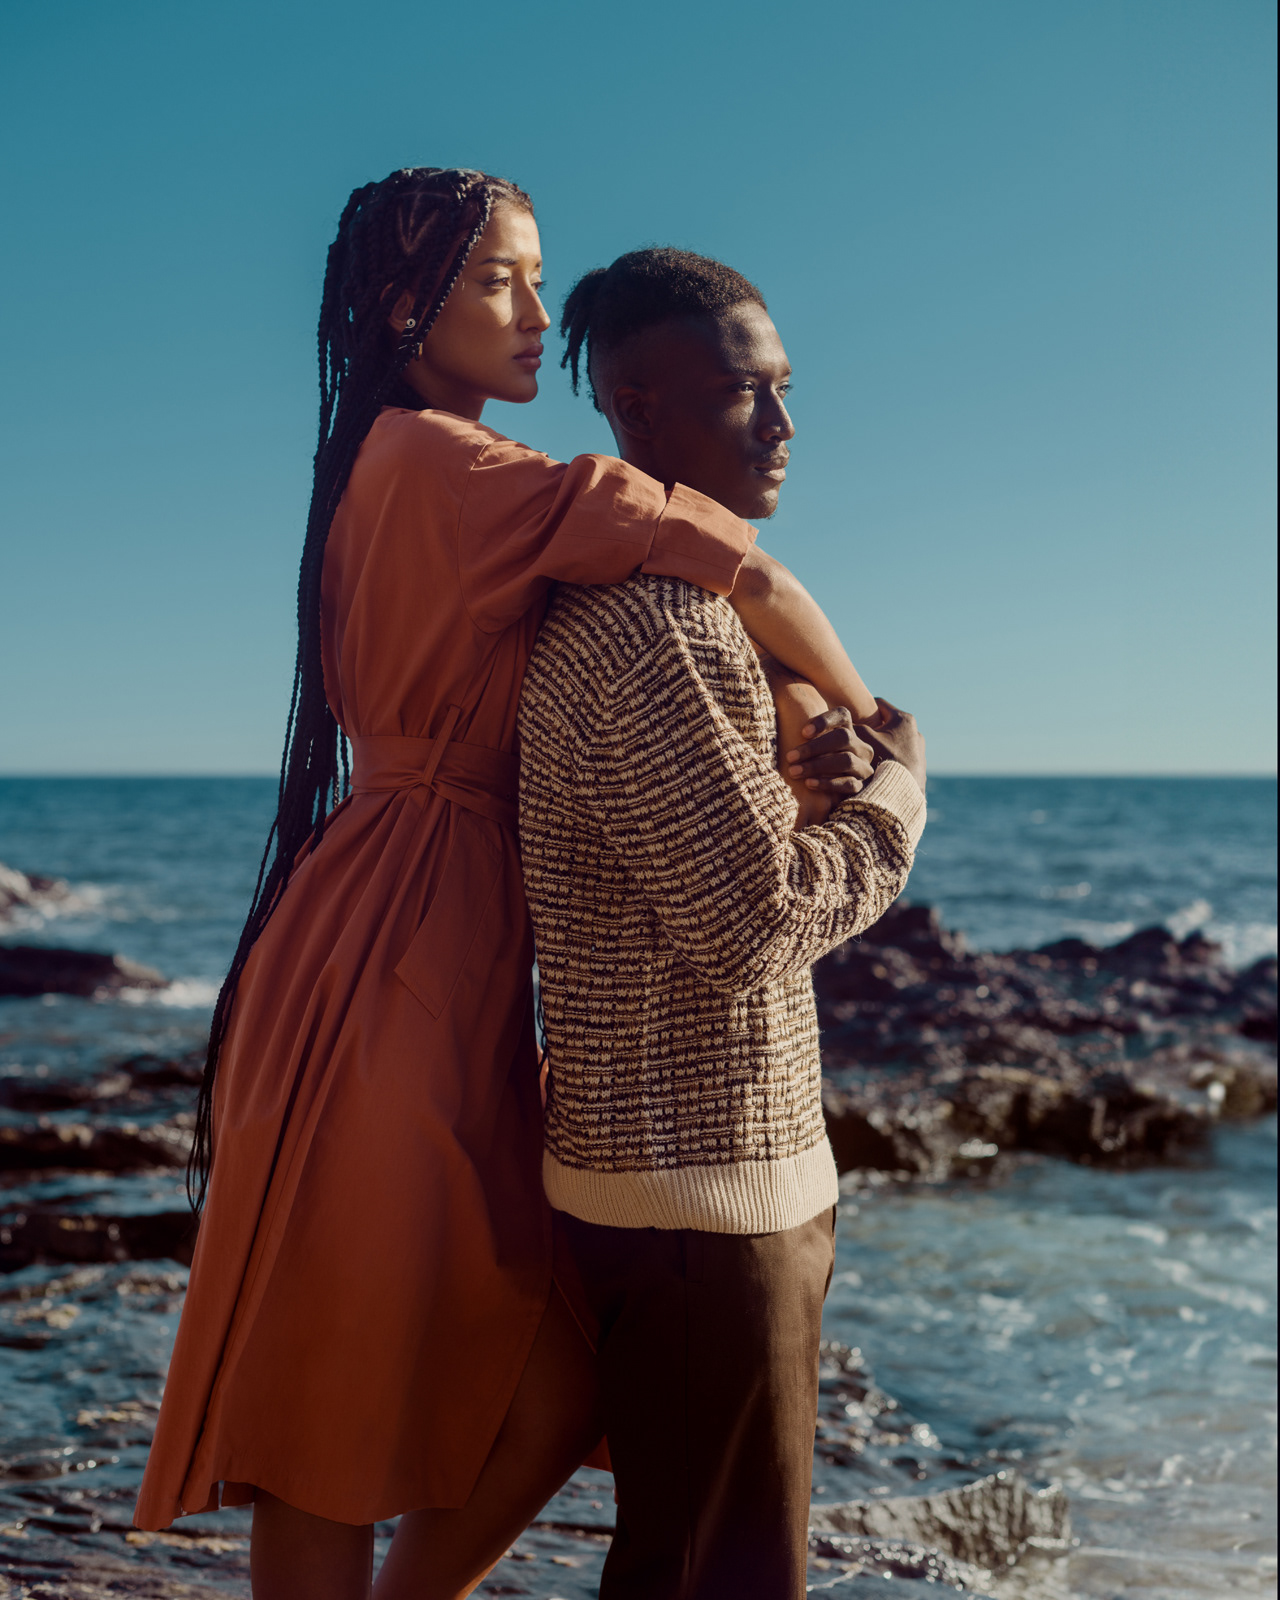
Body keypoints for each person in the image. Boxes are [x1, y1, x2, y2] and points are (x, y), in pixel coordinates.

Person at [133, 172, 882, 1600]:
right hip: (400, 950)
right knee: (335, 1402)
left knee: (556, 1366)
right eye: (501, 284)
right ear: (400, 305)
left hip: (426, 935)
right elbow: (743, 571)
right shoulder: (442, 464)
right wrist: (875, 726)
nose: (539, 317)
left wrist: (783, 727)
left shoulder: (419, 470)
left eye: (538, 281)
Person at [517, 248, 928, 1599]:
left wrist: (810, 771)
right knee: (721, 1580)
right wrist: (901, 806)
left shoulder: (680, 612)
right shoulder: (659, 627)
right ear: (636, 407)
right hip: (702, 1199)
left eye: (788, 390)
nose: (786, 427)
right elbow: (753, 924)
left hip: (683, 1186)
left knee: (694, 1566)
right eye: (746, 395)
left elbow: (710, 874)